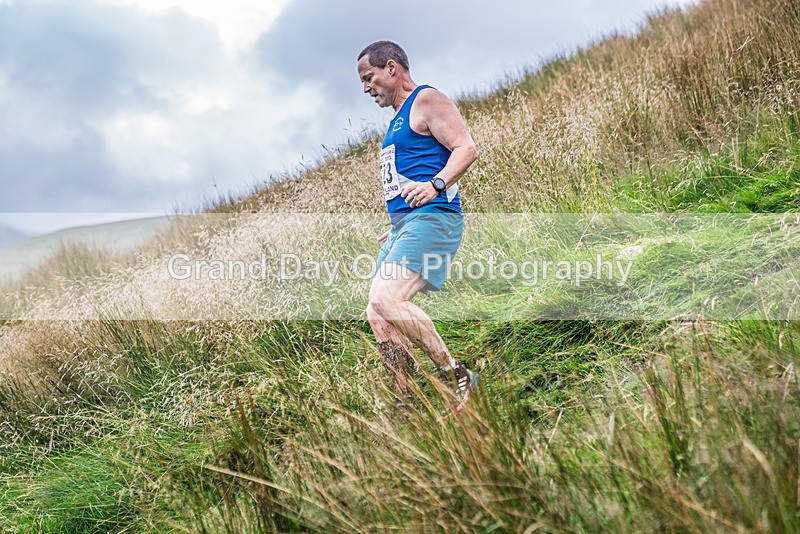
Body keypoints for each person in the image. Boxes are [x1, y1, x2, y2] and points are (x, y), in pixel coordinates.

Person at [357, 41, 479, 415]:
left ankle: (455, 373)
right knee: (376, 313)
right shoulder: (396, 121)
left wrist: (435, 185)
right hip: (406, 226)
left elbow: (465, 147)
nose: (366, 88)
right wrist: (395, 224)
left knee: (387, 299)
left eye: (369, 78)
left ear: (391, 67)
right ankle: (408, 399)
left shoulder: (426, 100)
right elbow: (405, 178)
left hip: (435, 217)